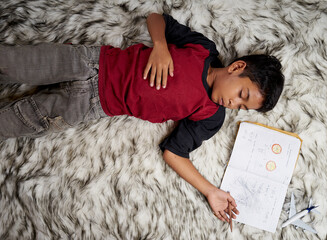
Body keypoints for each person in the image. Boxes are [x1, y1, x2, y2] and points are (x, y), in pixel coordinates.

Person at [0, 13, 284, 223]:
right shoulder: (203, 50)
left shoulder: (211, 117)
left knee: (14, 121)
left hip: (91, 103)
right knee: (10, 63)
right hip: (91, 60)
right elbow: (156, 18)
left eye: (242, 108)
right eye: (242, 94)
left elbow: (174, 152)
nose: (234, 104)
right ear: (236, 67)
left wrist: (210, 191)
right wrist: (160, 46)